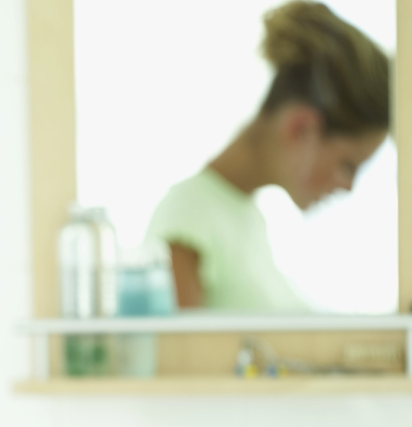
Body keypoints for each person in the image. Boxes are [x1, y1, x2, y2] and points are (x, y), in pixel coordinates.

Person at [146, 1, 389, 310]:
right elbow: (184, 356)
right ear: (301, 129)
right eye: (348, 165)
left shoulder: (246, 218)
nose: (348, 186)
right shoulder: (188, 218)